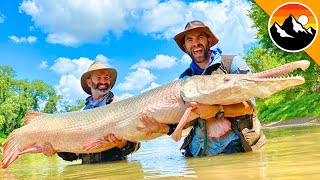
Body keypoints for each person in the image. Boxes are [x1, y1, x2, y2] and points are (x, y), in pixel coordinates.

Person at [139, 20, 266, 157]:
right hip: (198, 150)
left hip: (236, 145)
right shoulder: (184, 79)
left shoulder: (231, 64)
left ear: (209, 40)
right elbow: (188, 122)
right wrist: (162, 128)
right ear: (185, 47)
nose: (195, 43)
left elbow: (250, 106)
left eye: (200, 37)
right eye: (189, 40)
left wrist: (217, 110)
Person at [56, 61, 140, 164]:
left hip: (116, 171)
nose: (103, 82)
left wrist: (122, 144)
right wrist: (58, 148)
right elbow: (73, 156)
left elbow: (136, 145)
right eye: (99, 78)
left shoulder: (121, 106)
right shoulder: (81, 112)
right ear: (89, 83)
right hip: (87, 174)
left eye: (106, 78)